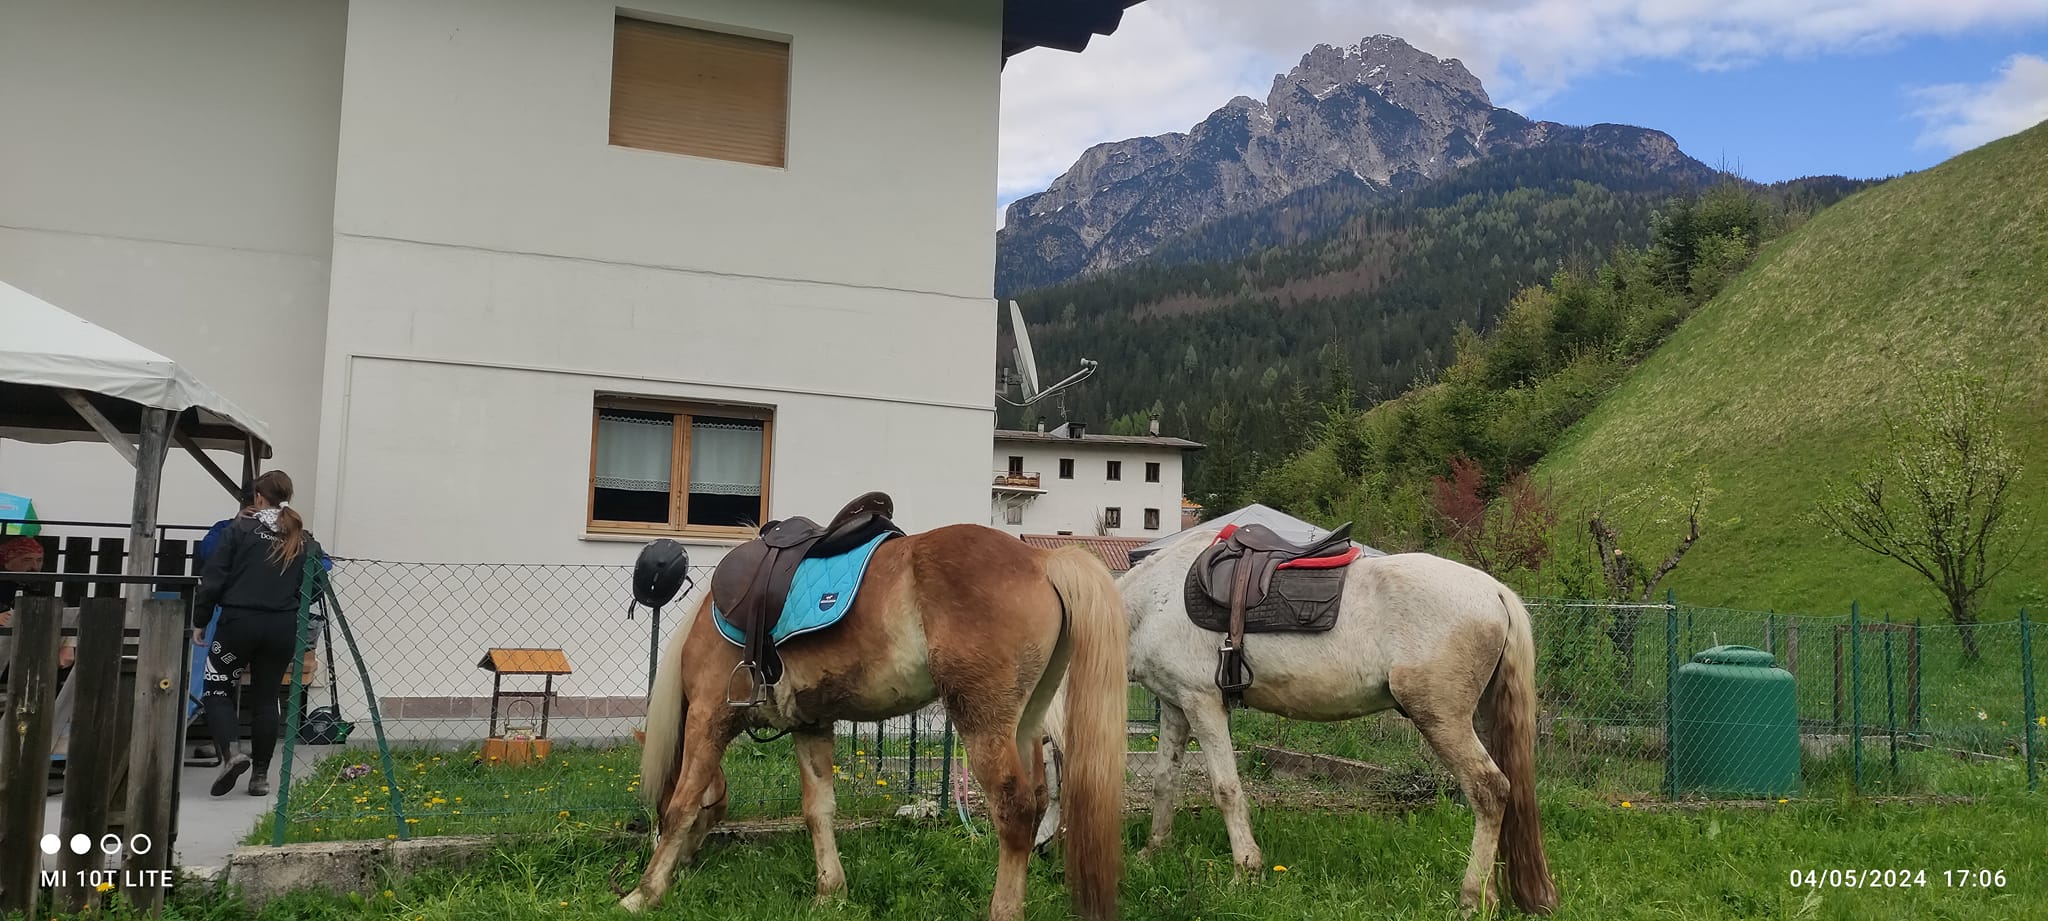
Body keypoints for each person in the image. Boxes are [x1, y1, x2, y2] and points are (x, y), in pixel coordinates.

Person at [192, 470, 324, 797]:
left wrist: (200, 619)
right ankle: (261, 777)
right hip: (282, 627)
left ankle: (232, 754)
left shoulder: (240, 529)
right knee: (267, 698)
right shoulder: (304, 539)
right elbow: (318, 585)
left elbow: (213, 576)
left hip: (238, 622)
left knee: (217, 688)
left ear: (258, 497)